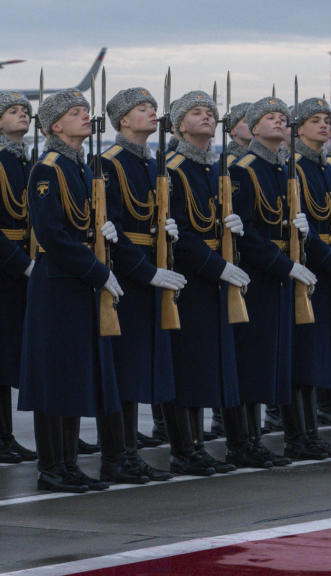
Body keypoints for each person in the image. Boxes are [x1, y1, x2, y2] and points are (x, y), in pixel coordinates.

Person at [19, 90, 124, 492]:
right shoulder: (49, 168)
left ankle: (68, 464)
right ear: (54, 125)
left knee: (74, 374)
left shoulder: (80, 167)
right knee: (55, 376)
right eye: (75, 113)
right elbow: (54, 235)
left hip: (78, 282)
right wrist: (97, 272)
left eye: (85, 111)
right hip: (59, 283)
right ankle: (52, 467)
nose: (85, 117)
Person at [99, 87, 186, 483]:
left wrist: (167, 238)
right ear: (122, 120)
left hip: (152, 271)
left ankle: (129, 453)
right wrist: (146, 272)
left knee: (138, 369)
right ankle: (117, 455)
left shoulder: (154, 164)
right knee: (122, 369)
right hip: (127, 278)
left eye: (153, 107)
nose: (152, 113)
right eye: (142, 109)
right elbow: (111, 233)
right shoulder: (109, 163)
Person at [166, 90, 252, 473]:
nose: (206, 117)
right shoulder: (172, 167)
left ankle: (206, 445)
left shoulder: (215, 167)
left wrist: (235, 231)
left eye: (210, 113)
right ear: (179, 124)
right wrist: (216, 266)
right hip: (189, 279)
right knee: (188, 365)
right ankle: (185, 447)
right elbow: (180, 235)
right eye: (196, 113)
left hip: (215, 278)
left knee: (213, 362)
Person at [231, 96, 318, 466]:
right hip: (258, 278)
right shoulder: (243, 169)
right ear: (253, 127)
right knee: (250, 361)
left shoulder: (285, 169)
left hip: (281, 275)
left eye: (283, 118)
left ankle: (270, 438)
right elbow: (247, 234)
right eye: (270, 117)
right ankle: (243, 441)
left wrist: (304, 236)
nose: (280, 122)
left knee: (275, 360)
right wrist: (284, 265)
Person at [288, 97, 331, 458]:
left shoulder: (329, 167)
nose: (323, 126)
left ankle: (313, 433)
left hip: (328, 267)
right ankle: (299, 435)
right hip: (309, 268)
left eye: (326, 120)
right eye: (314, 120)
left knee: (320, 356)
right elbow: (305, 231)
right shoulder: (293, 166)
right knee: (303, 356)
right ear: (298, 128)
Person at [0, 92, 37, 463]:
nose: (22, 115)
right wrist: (20, 263)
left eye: (25, 111)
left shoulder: (28, 162)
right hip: (6, 268)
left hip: (29, 264)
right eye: (13, 111)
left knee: (14, 355)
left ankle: (7, 436)